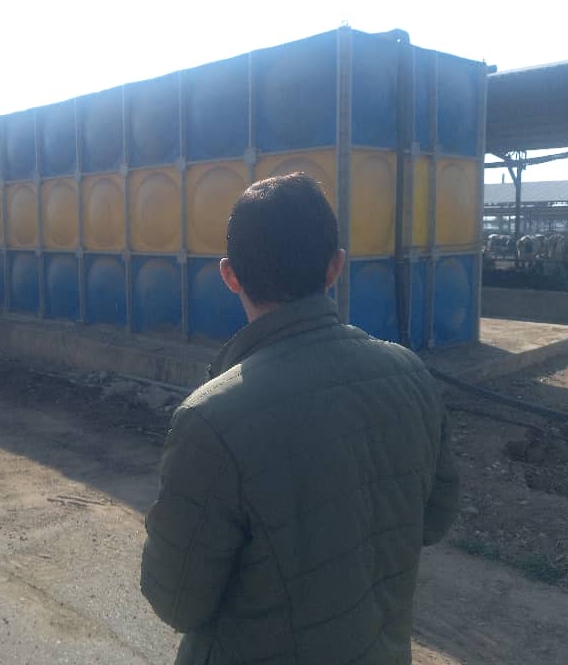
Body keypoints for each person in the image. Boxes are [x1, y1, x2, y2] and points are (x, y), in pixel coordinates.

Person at [140, 174, 459, 664]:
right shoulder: (411, 374)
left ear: (230, 276)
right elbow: (433, 519)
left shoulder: (211, 420)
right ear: (335, 267)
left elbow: (176, 600)